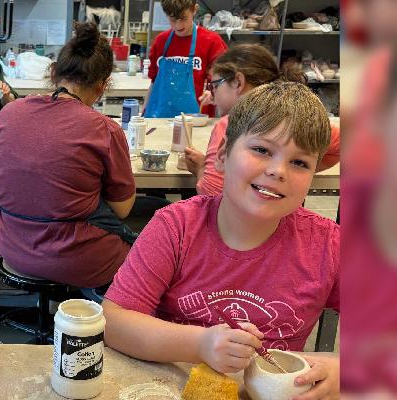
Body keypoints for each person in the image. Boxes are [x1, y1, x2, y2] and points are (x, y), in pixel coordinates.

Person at [104, 81, 340, 400]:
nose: (278, 170)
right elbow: (113, 321)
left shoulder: (328, 245)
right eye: (261, 150)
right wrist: (200, 345)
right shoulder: (175, 228)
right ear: (223, 155)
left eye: (299, 162)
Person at [0, 22, 135, 288]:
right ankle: (97, 321)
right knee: (147, 248)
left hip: (14, 250)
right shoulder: (105, 129)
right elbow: (122, 208)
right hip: (78, 262)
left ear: (53, 74)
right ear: (103, 85)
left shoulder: (9, 113)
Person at [183, 44, 341, 196]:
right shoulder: (302, 116)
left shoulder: (230, 123)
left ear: (238, 82)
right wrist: (299, 169)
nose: (213, 93)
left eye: (214, 85)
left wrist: (200, 169)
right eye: (261, 151)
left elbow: (212, 192)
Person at [143, 0, 227, 118]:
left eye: (183, 18)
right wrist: (144, 114)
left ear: (194, 10)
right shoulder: (161, 42)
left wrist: (213, 93)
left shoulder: (212, 42)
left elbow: (225, 81)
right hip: (162, 118)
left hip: (197, 121)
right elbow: (154, 84)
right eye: (173, 20)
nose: (178, 25)